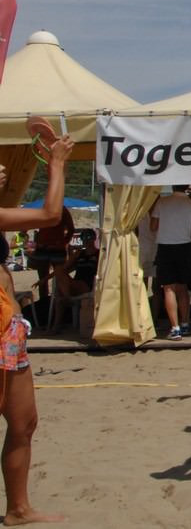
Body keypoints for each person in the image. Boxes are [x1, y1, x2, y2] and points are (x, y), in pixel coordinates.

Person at [0, 134, 73, 525]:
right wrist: (57, 162)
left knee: (24, 421)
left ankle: (18, 509)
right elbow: (49, 214)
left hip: (9, 326)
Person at [151, 185, 191, 340]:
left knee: (168, 288)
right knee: (182, 287)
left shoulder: (162, 202)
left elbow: (152, 226)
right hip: (184, 246)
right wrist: (186, 237)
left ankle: (175, 327)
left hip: (165, 246)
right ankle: (185, 323)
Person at [48, 228, 99, 334]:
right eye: (83, 237)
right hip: (76, 284)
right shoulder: (80, 253)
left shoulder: (98, 254)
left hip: (87, 285)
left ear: (94, 238)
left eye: (88, 237)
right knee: (59, 272)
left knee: (61, 294)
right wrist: (44, 280)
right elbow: (63, 268)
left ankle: (65, 301)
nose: (86, 240)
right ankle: (65, 301)